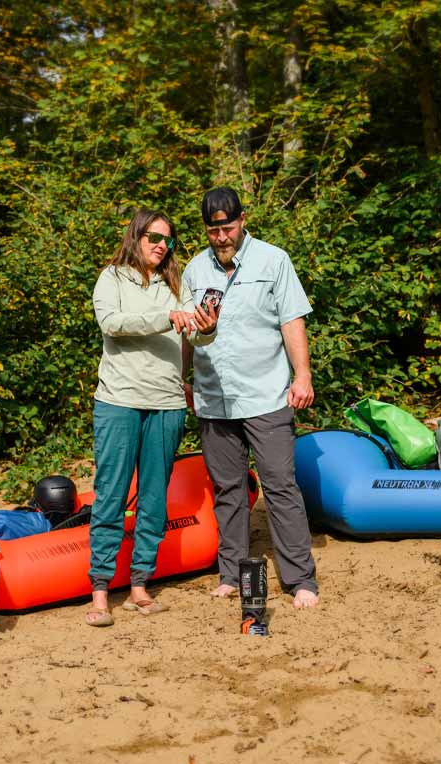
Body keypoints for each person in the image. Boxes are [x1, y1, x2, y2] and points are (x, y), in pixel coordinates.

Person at [181, 187, 319, 609]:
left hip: (266, 395)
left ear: (243, 220)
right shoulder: (194, 270)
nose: (221, 236)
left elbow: (291, 320)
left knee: (280, 486)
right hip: (213, 398)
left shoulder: (273, 260)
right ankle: (231, 573)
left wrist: (302, 375)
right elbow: (186, 331)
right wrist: (183, 379)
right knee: (228, 489)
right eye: (213, 230)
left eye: (227, 227)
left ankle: (300, 580)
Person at [86, 209, 219, 627]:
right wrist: (165, 317)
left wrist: (207, 327)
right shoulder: (111, 278)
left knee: (154, 498)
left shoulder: (175, 285)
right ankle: (100, 590)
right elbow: (111, 323)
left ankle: (140, 584)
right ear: (136, 236)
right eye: (154, 237)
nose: (162, 245)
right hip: (119, 401)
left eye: (168, 240)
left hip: (166, 403)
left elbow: (193, 334)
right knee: (111, 494)